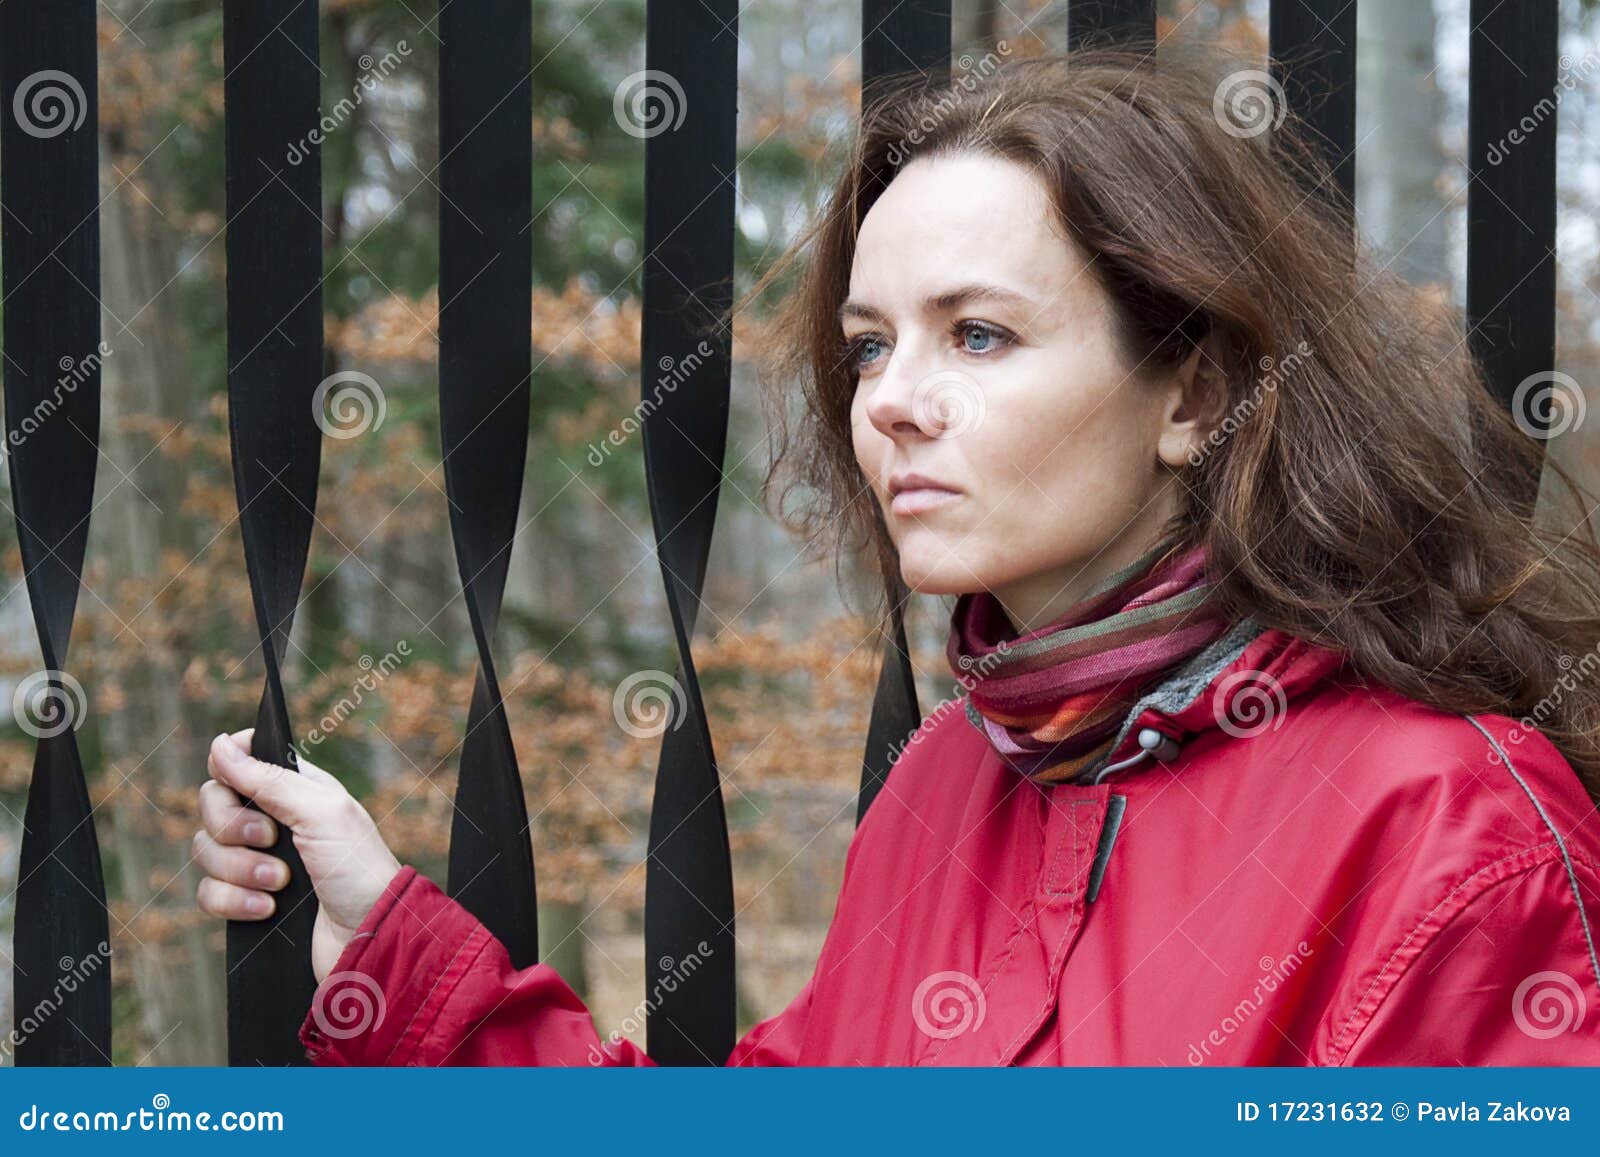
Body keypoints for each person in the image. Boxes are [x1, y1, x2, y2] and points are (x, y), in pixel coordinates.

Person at [194, 45, 1600, 1065]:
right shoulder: (954, 778)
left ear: (1194, 394)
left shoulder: (1448, 827)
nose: (891, 399)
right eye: (872, 343)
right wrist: (396, 956)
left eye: (977, 333)